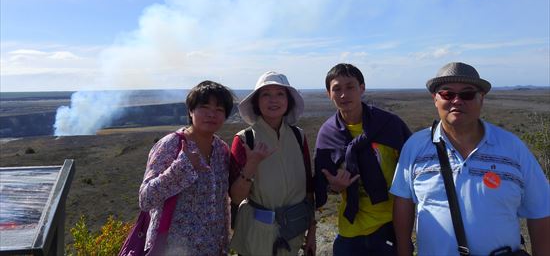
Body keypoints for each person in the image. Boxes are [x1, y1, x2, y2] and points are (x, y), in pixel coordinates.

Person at [390, 62, 550, 256]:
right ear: (435, 99)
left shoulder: (513, 148)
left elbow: (540, 212)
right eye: (447, 94)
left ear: (481, 98)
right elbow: (404, 204)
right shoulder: (415, 146)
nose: (457, 101)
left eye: (467, 94)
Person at [314, 63, 412, 255]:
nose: (344, 94)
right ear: (328, 94)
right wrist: (334, 187)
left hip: (390, 224)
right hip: (350, 228)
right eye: (337, 89)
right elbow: (321, 180)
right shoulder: (327, 133)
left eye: (350, 87)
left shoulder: (389, 125)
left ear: (362, 88)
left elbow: (413, 170)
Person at [138, 81, 235, 255]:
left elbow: (221, 205)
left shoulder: (222, 150)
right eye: (204, 107)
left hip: (212, 248)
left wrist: (223, 245)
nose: (212, 114)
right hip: (172, 248)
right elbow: (146, 199)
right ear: (191, 111)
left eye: (219, 110)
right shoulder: (171, 144)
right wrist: (181, 167)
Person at [229, 71, 316, 256]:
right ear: (257, 102)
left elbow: (308, 188)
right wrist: (251, 165)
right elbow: (235, 198)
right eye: (266, 94)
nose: (273, 100)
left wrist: (312, 232)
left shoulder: (298, 136)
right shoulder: (245, 139)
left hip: (294, 232)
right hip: (256, 235)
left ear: (288, 100)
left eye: (280, 94)